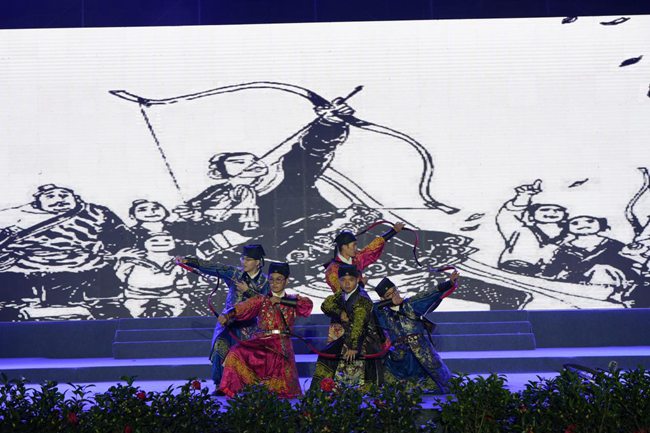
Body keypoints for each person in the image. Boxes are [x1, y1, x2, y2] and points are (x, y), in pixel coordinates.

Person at [0, 184, 136, 320]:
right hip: (24, 271)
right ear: (37, 202)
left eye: (64, 195)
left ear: (75, 197)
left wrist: (115, 253)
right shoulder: (11, 216)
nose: (59, 200)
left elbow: (122, 237)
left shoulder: (97, 213)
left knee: (109, 311)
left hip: (85, 268)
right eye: (50, 196)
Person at [178, 244, 269, 388]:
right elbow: (215, 267)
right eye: (243, 258)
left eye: (248, 259)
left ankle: (247, 387)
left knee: (245, 356)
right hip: (227, 321)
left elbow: (266, 303)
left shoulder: (265, 281)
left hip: (249, 325)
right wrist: (188, 261)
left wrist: (248, 291)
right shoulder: (234, 273)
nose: (244, 262)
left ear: (258, 262)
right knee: (219, 348)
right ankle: (220, 385)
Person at [217, 262, 313, 398]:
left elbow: (307, 306)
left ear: (287, 280)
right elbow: (243, 307)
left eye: (279, 279)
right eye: (271, 279)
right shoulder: (261, 299)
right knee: (235, 352)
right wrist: (227, 315)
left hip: (281, 342)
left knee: (283, 385)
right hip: (261, 342)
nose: (274, 283)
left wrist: (281, 301)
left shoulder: (294, 300)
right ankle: (239, 391)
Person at [372, 272, 458, 394]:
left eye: (395, 291)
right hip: (398, 357)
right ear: (382, 299)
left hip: (422, 351)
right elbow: (371, 308)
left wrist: (449, 283)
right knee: (395, 390)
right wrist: (389, 303)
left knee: (440, 383)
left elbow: (428, 294)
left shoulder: (410, 304)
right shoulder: (380, 312)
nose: (394, 295)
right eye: (389, 294)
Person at [310, 264, 386, 391]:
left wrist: (353, 347)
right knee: (326, 354)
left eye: (351, 280)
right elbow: (326, 305)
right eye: (343, 280)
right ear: (339, 281)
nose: (347, 283)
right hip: (348, 336)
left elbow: (359, 324)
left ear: (357, 280)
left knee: (337, 357)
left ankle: (350, 393)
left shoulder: (362, 298)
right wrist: (340, 313)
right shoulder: (342, 294)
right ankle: (323, 392)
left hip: (364, 339)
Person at [541, 216, 639, 298]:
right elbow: (554, 267)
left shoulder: (613, 244)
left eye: (590, 221)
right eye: (575, 223)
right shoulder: (565, 248)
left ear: (600, 224)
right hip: (578, 285)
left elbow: (627, 263)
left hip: (611, 283)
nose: (583, 225)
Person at [496, 180, 569, 276]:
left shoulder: (566, 235)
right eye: (545, 210)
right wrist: (523, 196)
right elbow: (507, 217)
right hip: (513, 266)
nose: (551, 212)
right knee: (525, 233)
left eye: (557, 210)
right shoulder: (522, 230)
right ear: (531, 216)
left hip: (544, 271)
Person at [116, 232, 191, 318]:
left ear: (174, 243)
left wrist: (185, 293)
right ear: (144, 243)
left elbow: (183, 277)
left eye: (167, 240)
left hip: (169, 296)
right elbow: (120, 275)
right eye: (154, 240)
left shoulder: (179, 260)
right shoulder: (133, 261)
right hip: (136, 296)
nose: (161, 243)